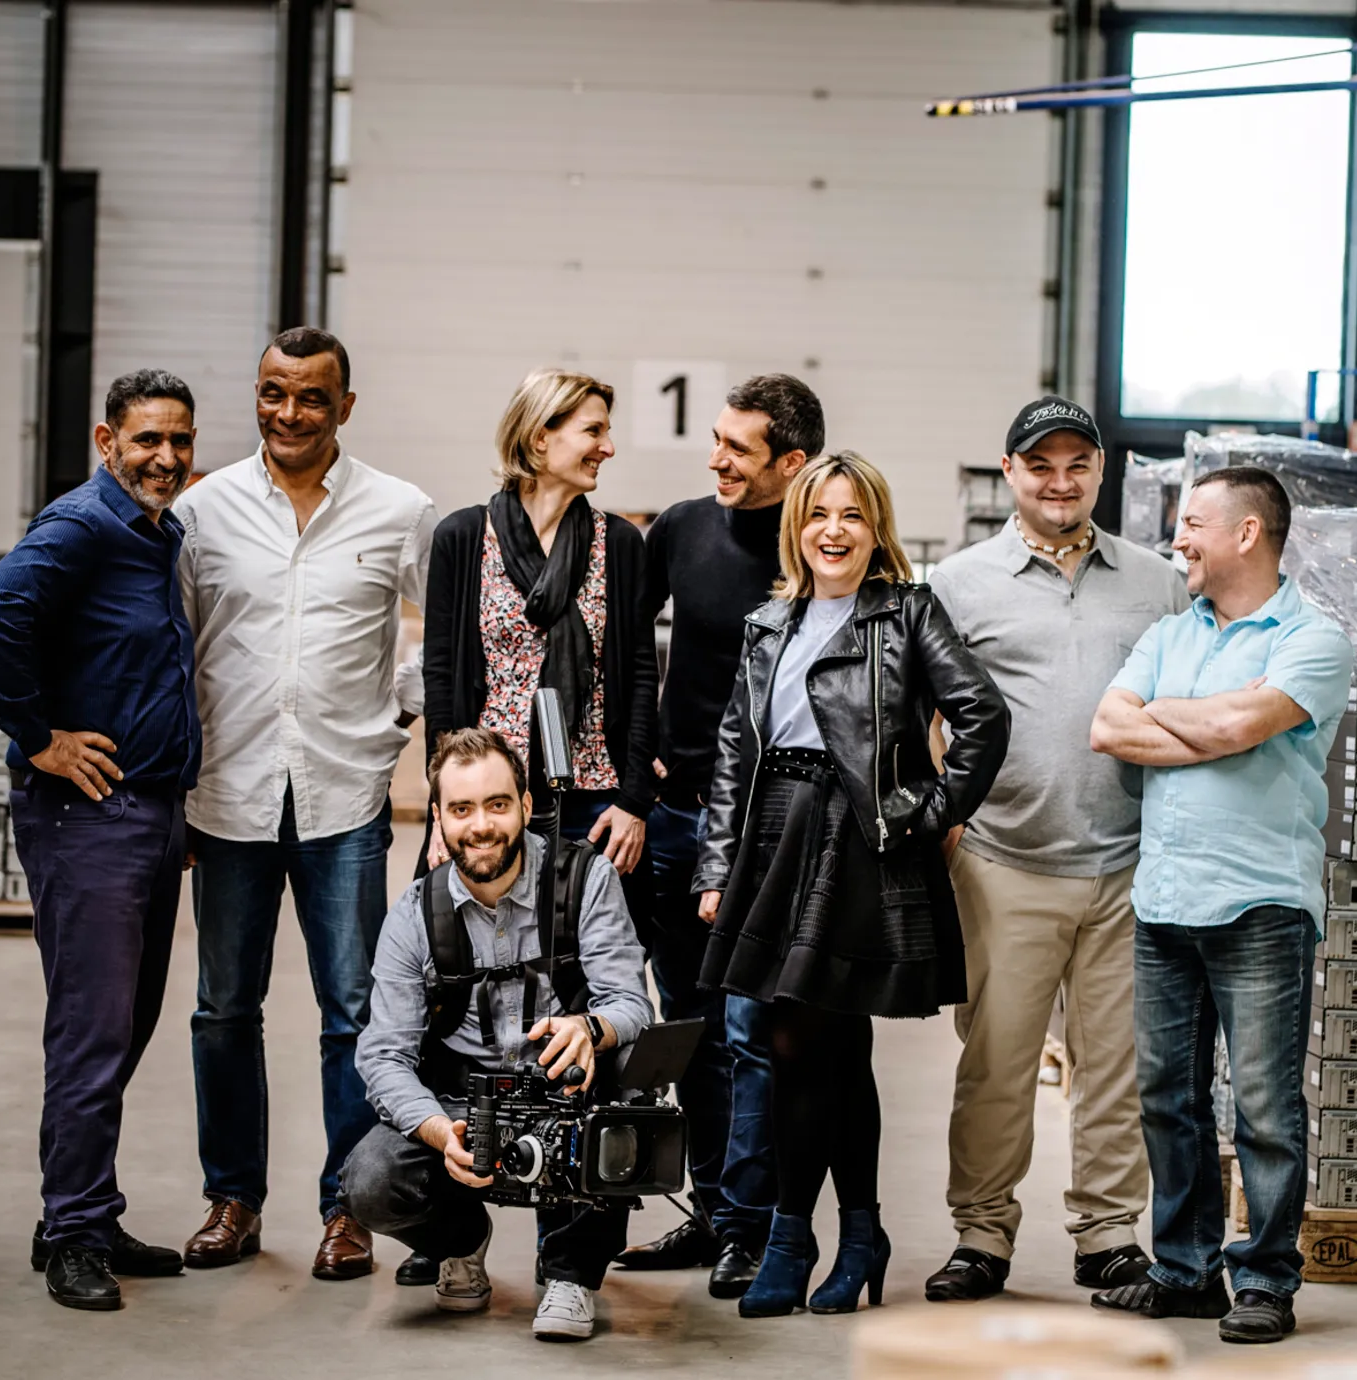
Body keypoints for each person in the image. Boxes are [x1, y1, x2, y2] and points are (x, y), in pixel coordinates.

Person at [694, 451, 1009, 1319]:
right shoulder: (771, 621)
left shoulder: (905, 612)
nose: (834, 529)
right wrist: (719, 866)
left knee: (808, 1045)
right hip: (776, 836)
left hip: (858, 841)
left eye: (853, 515)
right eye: (819, 513)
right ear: (797, 525)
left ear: (877, 531)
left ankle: (801, 1236)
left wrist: (928, 808)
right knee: (822, 1050)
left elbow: (982, 713)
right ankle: (851, 1233)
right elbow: (733, 750)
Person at [174, 326, 437, 1281]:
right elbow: (179, 648)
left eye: (312, 397)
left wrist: (397, 703)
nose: (291, 414)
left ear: (346, 407)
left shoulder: (400, 511)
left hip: (344, 796)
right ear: (257, 395)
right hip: (229, 796)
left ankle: (346, 1209)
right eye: (274, 394)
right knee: (221, 1011)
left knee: (356, 1012)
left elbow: (443, 633)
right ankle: (233, 1200)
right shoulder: (204, 511)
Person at [922, 396, 1189, 1303]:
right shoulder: (959, 583)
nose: (1060, 481)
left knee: (1116, 1063)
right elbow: (927, 712)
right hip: (1004, 860)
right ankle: (981, 1233)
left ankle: (1108, 1235)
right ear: (1011, 474)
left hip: (1126, 860)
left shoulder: (1157, 582)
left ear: (1101, 471)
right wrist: (949, 816)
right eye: (1042, 465)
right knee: (996, 1060)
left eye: (1078, 464)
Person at [1089, 466, 1353, 1345]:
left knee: (1267, 1109)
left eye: (1193, 522)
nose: (1178, 538)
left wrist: (1177, 718)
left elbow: (1248, 727)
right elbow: (1108, 728)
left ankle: (1267, 1280)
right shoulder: (1172, 632)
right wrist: (1213, 718)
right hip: (1163, 902)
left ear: (1247, 533)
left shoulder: (1312, 637)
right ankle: (1186, 1270)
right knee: (1168, 1098)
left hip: (1261, 906)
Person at [0, 369, 202, 1311]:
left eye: (179, 440)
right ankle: (69, 1233)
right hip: (88, 819)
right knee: (92, 1031)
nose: (167, 458)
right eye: (147, 440)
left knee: (127, 1023)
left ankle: (86, 1210)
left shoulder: (154, 531)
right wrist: (39, 738)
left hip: (148, 814)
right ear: (107, 443)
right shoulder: (82, 525)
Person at [340, 727, 654, 1342]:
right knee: (369, 1182)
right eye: (461, 809)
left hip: (568, 1093)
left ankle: (571, 1272)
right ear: (438, 818)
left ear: (526, 805)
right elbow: (383, 1058)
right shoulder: (412, 914)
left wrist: (591, 1027)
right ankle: (461, 1241)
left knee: (630, 1099)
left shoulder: (584, 878)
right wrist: (439, 1131)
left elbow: (631, 1004)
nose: (480, 826)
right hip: (463, 1102)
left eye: (497, 804)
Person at [619, 375, 822, 1295]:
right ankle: (713, 1213)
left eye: (737, 450)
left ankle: (753, 1224)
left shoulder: (819, 545)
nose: (716, 461)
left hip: (769, 832)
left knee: (754, 1036)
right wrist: (640, 762)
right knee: (691, 1026)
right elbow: (625, 651)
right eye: (716, 441)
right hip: (674, 816)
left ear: (793, 463)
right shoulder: (680, 529)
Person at [421, 367, 657, 905]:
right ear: (539, 436)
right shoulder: (462, 537)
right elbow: (440, 678)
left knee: (592, 966)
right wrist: (444, 805)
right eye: (593, 432)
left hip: (596, 801)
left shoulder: (618, 544)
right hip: (488, 796)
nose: (609, 447)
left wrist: (635, 801)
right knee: (485, 961)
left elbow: (641, 676)